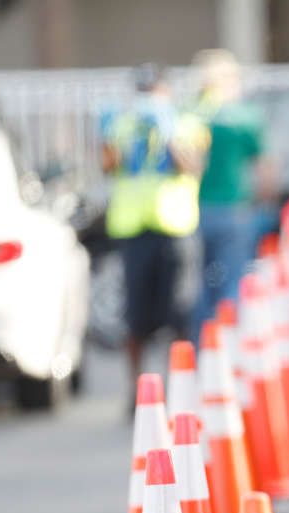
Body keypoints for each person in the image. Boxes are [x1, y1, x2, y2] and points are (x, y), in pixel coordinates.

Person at [101, 63, 206, 400]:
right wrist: (111, 137)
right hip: (134, 232)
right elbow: (108, 166)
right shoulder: (123, 124)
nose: (148, 99)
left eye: (153, 92)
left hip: (174, 229)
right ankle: (138, 392)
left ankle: (181, 389)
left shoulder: (186, 123)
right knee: (135, 318)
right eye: (142, 93)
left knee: (179, 313)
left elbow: (192, 166)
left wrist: (169, 133)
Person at [188, 49, 276, 339]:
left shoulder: (191, 113)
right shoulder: (245, 116)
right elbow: (264, 168)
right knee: (233, 280)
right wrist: (267, 202)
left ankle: (203, 346)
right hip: (234, 208)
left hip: (195, 210)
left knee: (202, 285)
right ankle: (230, 346)